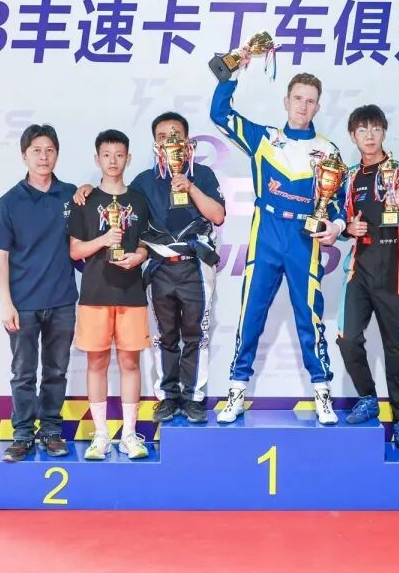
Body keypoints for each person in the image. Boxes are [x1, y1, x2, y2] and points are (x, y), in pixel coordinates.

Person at [210, 55, 346, 425]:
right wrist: (230, 75)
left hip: (304, 237)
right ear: (286, 101)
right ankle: (236, 390)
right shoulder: (264, 138)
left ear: (318, 107)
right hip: (266, 232)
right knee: (251, 314)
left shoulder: (329, 151)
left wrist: (335, 226)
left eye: (310, 101)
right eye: (297, 98)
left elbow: (338, 203)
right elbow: (220, 114)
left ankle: (322, 393)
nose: (303, 106)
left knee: (309, 317)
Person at [0, 124, 78, 463]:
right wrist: (6, 302)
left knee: (56, 372)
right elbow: (0, 256)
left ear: (57, 154)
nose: (43, 156)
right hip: (22, 304)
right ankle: (22, 435)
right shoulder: (9, 202)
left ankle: (51, 431)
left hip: (62, 300)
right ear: (24, 155)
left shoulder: (70, 195)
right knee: (23, 374)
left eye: (49, 150)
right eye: (36, 150)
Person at [336, 105, 399, 457]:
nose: (369, 135)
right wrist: (348, 228)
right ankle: (368, 398)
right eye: (362, 130)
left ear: (384, 132)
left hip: (394, 270)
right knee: (346, 339)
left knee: (396, 349)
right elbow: (340, 223)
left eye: (375, 128)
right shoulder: (347, 177)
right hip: (359, 269)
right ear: (353, 136)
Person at [133, 112, 226, 423]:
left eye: (176, 135)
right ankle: (168, 396)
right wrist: (86, 190)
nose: (169, 140)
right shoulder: (144, 181)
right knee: (164, 336)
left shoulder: (204, 175)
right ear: (155, 144)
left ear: (187, 142)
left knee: (196, 335)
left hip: (195, 266)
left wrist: (190, 187)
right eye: (162, 136)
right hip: (160, 267)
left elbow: (217, 216)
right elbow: (122, 210)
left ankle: (194, 397)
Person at [68, 129, 151, 460]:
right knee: (97, 363)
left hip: (131, 293)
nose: (113, 161)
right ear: (97, 158)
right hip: (95, 293)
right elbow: (75, 250)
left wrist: (140, 256)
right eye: (106, 155)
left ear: (128, 158)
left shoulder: (140, 199)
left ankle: (129, 434)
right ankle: (101, 435)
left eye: (119, 155)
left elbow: (145, 242)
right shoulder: (84, 200)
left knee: (130, 363)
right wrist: (103, 241)